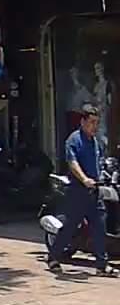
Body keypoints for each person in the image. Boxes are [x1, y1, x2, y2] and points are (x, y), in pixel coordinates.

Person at [49, 103, 116, 275]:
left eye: (97, 122)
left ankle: (101, 265)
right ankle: (54, 257)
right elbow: (73, 163)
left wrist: (103, 175)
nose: (95, 126)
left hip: (95, 192)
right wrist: (84, 179)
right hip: (78, 191)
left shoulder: (95, 142)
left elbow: (99, 162)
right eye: (92, 122)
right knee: (70, 226)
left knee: (99, 226)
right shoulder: (74, 140)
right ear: (83, 121)